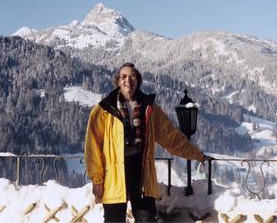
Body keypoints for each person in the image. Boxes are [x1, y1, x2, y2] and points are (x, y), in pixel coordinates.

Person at [84, 62, 210, 222]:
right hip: (114, 175)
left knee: (147, 219)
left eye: (132, 76)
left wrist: (198, 155)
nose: (127, 80)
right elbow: (92, 147)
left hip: (142, 172)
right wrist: (97, 179)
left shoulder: (149, 108)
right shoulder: (103, 110)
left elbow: (171, 137)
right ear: (117, 81)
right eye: (123, 77)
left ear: (138, 80)